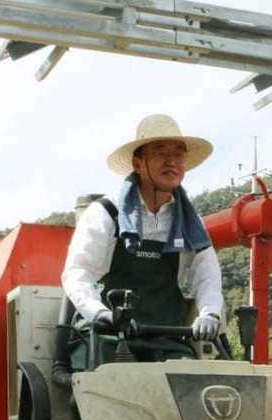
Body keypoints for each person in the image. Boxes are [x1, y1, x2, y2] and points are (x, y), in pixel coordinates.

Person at [61, 113, 225, 359]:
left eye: (178, 154)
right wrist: (99, 313)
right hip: (107, 335)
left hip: (166, 335)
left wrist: (210, 313)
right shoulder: (107, 213)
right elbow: (78, 273)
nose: (171, 162)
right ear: (138, 164)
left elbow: (207, 274)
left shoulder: (191, 223)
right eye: (161, 153)